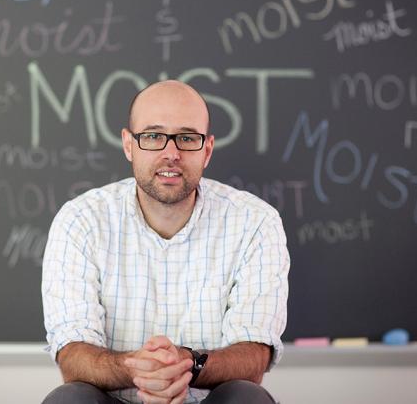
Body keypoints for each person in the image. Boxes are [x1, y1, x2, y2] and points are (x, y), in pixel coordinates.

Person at [41, 80, 290, 404]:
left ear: (207, 150)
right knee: (69, 399)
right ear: (129, 145)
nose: (171, 153)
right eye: (154, 136)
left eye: (187, 138)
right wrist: (141, 369)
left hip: (208, 399)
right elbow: (72, 355)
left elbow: (254, 356)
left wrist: (186, 363)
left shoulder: (255, 222)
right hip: (116, 400)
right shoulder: (80, 221)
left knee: (247, 397)